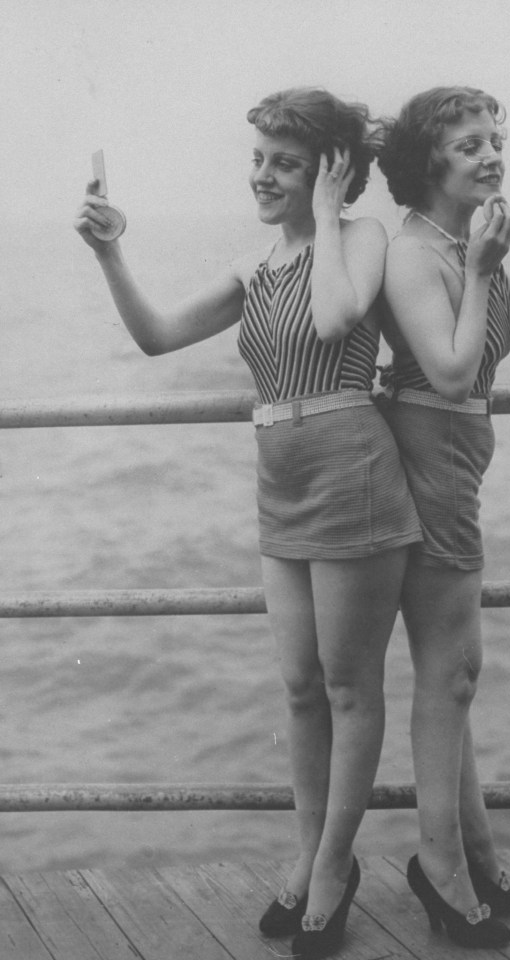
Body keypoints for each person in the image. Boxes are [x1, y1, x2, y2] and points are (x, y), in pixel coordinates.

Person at [75, 87, 422, 960]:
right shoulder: (254, 268)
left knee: (351, 690)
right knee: (303, 690)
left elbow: (339, 317)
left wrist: (336, 214)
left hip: (354, 474)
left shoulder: (365, 240)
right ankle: (307, 856)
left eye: (286, 162)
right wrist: (113, 254)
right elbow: (156, 337)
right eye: (259, 159)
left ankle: (336, 868)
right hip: (281, 480)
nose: (264, 176)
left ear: (330, 169)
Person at [376, 86, 510, 949]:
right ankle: (441, 868)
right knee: (453, 674)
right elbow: (454, 374)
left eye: (496, 139)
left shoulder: (473, 240)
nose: (492, 155)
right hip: (428, 455)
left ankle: (473, 856)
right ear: (432, 161)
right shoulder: (416, 254)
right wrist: (488, 268)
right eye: (471, 145)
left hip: (458, 459)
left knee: (448, 673)